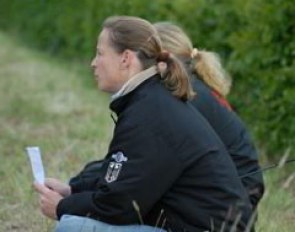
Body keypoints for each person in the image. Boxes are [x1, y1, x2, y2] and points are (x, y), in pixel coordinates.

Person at [34, 16, 252, 232]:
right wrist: (73, 191)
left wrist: (61, 207)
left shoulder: (149, 111)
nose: (93, 62)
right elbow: (123, 180)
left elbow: (120, 207)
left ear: (126, 59)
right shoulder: (149, 100)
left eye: (100, 53)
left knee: (71, 227)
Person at [154, 22, 264, 211]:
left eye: (144, 55)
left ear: (163, 58)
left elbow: (166, 159)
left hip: (235, 201)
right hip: (236, 191)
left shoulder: (187, 94)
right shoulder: (191, 85)